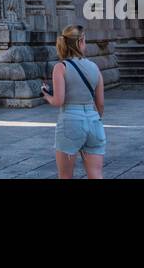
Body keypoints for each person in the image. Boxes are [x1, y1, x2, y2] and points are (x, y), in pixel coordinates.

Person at [42, 24, 105, 179]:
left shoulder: (61, 67)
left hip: (70, 122)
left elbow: (58, 100)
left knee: (65, 176)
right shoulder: (94, 67)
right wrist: (95, 119)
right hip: (93, 121)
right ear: (80, 42)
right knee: (96, 174)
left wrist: (46, 95)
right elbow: (101, 103)